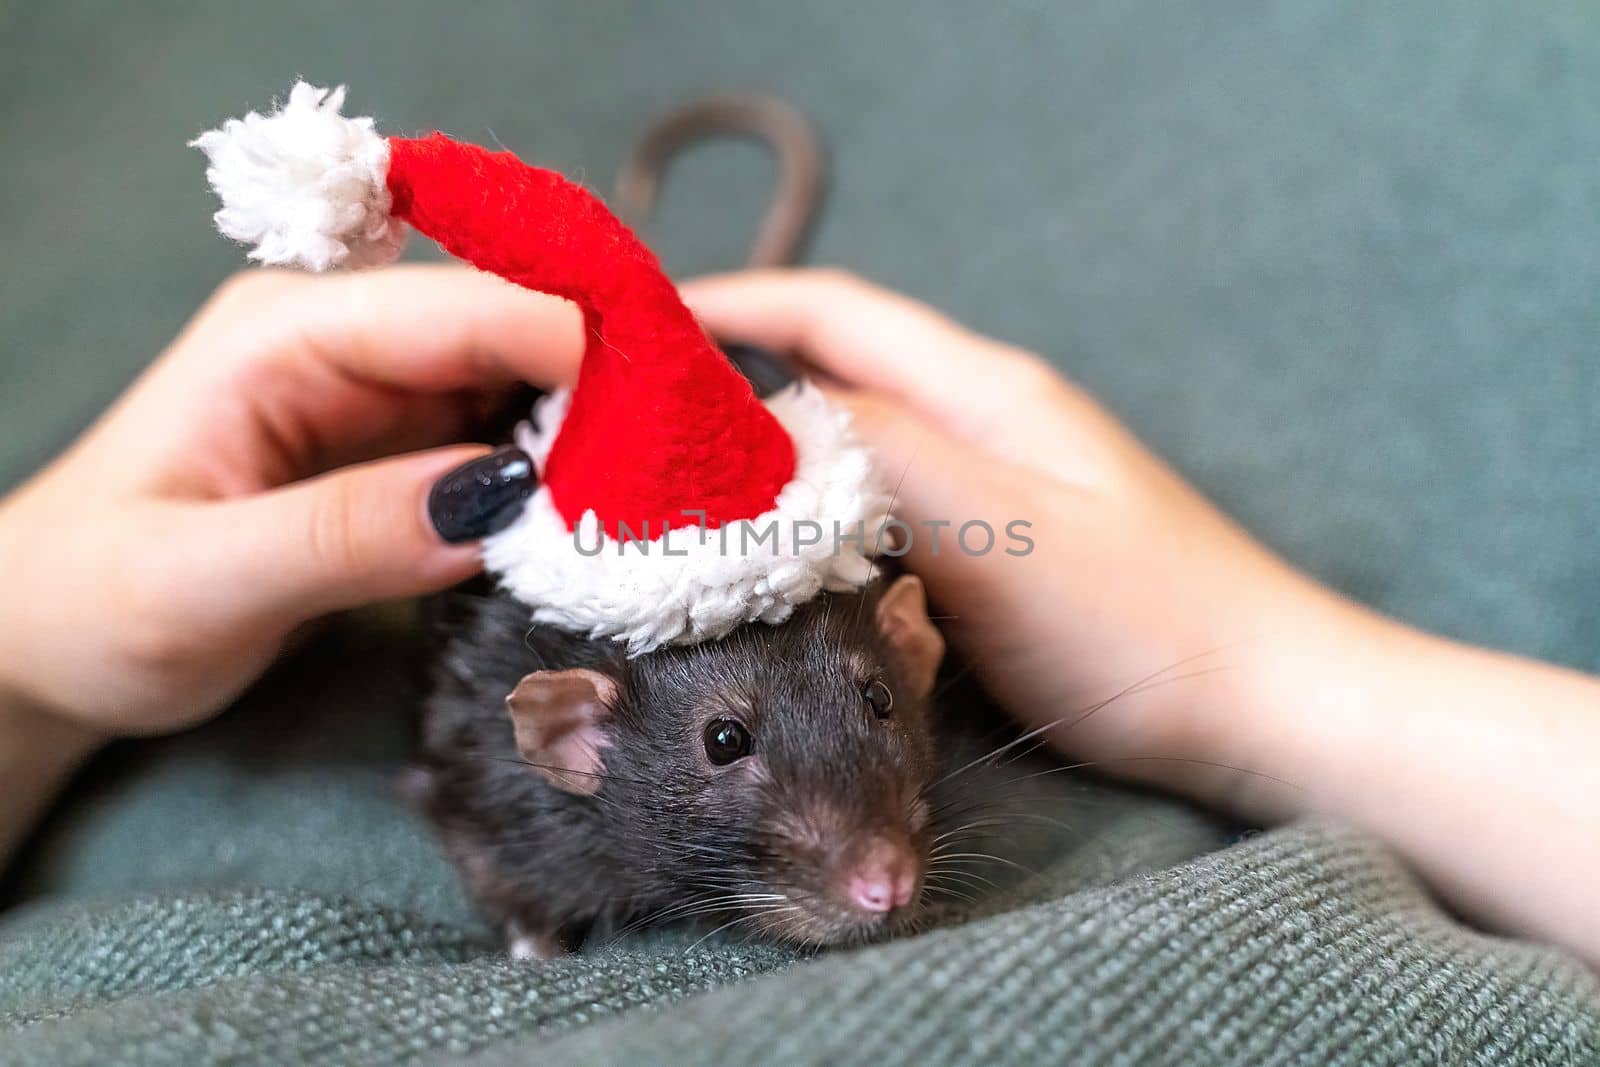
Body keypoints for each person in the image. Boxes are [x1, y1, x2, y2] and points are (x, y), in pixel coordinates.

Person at [0, 266, 1595, 969]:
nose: (883, 869)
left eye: (886, 700)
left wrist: (1264, 676)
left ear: (912, 642)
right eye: (723, 744)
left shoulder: (871, 638)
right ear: (570, 739)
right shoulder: (532, 777)